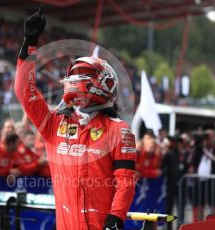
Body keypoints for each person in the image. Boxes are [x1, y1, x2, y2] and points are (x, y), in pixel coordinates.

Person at [14, 7, 137, 229]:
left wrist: (116, 218)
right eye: (74, 76)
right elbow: (25, 91)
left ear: (105, 85)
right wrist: (29, 44)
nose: (75, 81)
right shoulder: (53, 123)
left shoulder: (119, 130)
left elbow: (125, 182)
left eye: (85, 76)